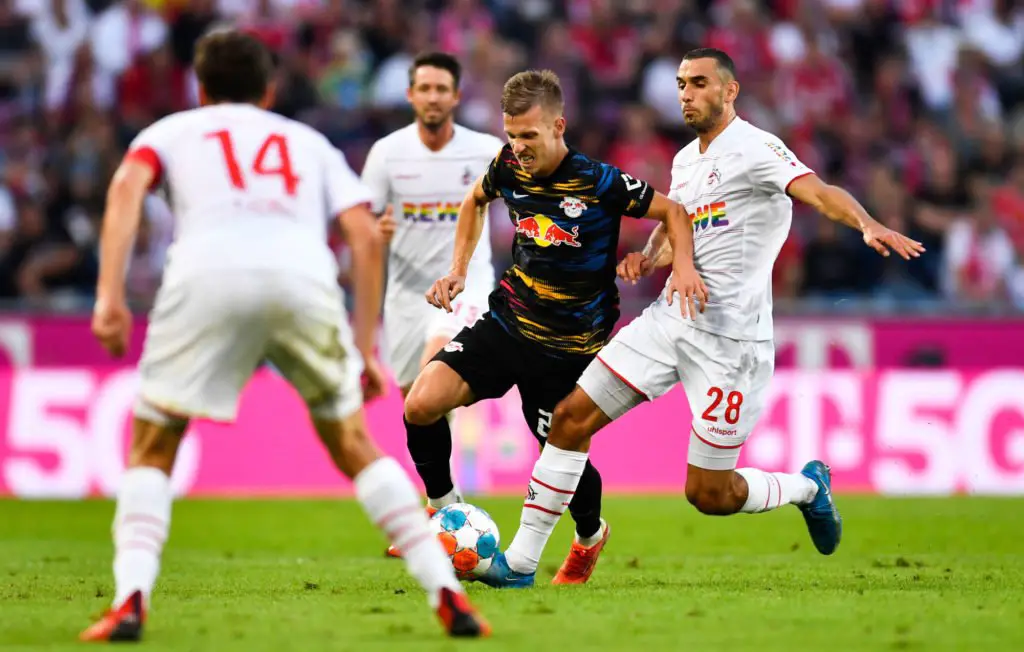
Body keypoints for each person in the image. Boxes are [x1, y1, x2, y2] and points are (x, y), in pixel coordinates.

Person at [80, 29, 489, 641]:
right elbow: (362, 234)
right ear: (269, 90)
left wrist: (109, 296)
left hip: (207, 278)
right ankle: (447, 594)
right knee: (353, 444)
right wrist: (361, 345)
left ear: (200, 88)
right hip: (303, 282)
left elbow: (125, 189)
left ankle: (130, 599)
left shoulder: (171, 132)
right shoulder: (307, 142)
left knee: (153, 446)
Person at [485, 48, 926, 586]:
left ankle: (808, 488)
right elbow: (681, 224)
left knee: (709, 494)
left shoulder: (758, 148)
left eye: (698, 83)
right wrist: (650, 256)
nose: (686, 94)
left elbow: (819, 192)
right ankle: (521, 564)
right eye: (681, 84)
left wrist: (866, 223)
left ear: (729, 90)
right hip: (670, 320)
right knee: (570, 417)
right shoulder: (686, 159)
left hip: (730, 343)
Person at [404, 69, 703, 588]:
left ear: (558, 126)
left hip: (570, 348)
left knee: (562, 453)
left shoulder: (599, 181)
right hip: (509, 321)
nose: (518, 147)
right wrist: (457, 270)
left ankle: (590, 535)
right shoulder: (507, 166)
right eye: (511, 135)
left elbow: (674, 212)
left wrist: (681, 267)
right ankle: (445, 514)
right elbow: (473, 201)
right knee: (421, 404)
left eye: (529, 135)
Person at [359, 54, 502, 557]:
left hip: (463, 286)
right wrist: (375, 229)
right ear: (410, 95)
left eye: (442, 88)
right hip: (404, 295)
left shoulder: (485, 150)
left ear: (456, 96)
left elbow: (528, 203)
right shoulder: (387, 154)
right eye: (425, 88)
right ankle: (445, 505)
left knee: (428, 384)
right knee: (414, 406)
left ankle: (440, 512)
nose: (434, 97)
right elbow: (362, 223)